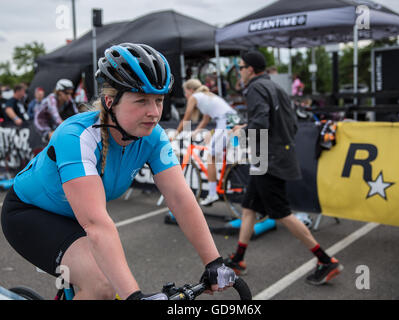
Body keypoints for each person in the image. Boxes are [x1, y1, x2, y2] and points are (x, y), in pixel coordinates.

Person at [1, 43, 236, 300]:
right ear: (110, 101)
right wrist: (133, 296)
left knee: (108, 277)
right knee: (102, 287)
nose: (154, 112)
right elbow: (97, 224)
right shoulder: (76, 137)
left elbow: (180, 198)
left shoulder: (153, 136)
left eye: (158, 100)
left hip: (74, 218)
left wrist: (214, 262)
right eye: (141, 101)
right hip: (31, 214)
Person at [224, 51, 343, 286]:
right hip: (271, 155)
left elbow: (261, 123)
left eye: (241, 67)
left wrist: (242, 131)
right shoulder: (273, 86)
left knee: (282, 213)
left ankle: (326, 260)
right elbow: (289, 123)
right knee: (249, 207)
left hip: (269, 158)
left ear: (251, 69)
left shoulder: (256, 88)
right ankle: (238, 259)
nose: (239, 71)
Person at [173, 78, 240, 206]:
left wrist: (176, 134)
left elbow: (186, 119)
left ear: (191, 91)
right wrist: (196, 132)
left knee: (211, 157)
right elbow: (205, 120)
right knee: (222, 156)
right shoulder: (207, 96)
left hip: (225, 124)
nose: (186, 96)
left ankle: (212, 194)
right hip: (233, 122)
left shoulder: (195, 97)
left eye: (186, 93)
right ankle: (223, 183)